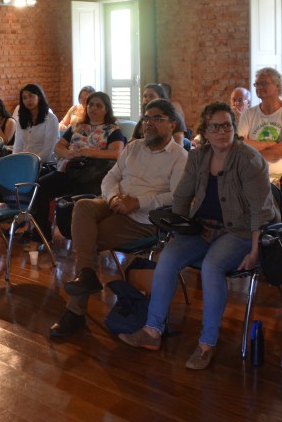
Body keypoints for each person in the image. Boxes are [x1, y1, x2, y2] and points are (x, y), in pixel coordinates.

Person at [119, 102, 277, 369]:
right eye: (214, 126)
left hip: (238, 231)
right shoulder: (198, 156)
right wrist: (174, 229)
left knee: (212, 267)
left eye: (226, 125)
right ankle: (152, 330)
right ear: (205, 130)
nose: (221, 131)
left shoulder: (249, 159)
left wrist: (254, 250)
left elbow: (261, 210)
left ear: (233, 128)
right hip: (202, 226)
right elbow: (182, 196)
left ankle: (206, 344)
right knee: (167, 258)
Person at [49, 99, 188, 338]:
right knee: (82, 206)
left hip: (144, 217)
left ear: (172, 124)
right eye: (146, 118)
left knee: (87, 241)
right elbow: (110, 178)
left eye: (157, 119)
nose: (149, 123)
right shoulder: (134, 147)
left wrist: (137, 202)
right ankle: (88, 276)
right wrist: (113, 199)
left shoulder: (180, 156)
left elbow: (175, 197)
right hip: (115, 201)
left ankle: (75, 312)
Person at [29, 92, 126, 249]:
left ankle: (83, 241)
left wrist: (88, 152)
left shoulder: (113, 129)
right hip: (67, 171)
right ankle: (42, 236)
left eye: (98, 105)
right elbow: (58, 146)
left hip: (92, 175)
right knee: (39, 187)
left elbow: (116, 153)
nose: (93, 108)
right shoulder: (77, 126)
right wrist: (67, 153)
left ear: (106, 109)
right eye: (90, 104)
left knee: (76, 201)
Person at [238, 67, 282, 179]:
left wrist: (249, 154)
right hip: (251, 176)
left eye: (264, 83)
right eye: (256, 84)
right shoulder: (247, 114)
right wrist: (272, 144)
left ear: (277, 86)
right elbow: (239, 147)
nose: (259, 87)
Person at [13, 83, 60, 163]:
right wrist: (14, 160)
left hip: (44, 163)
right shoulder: (22, 119)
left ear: (39, 97)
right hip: (24, 161)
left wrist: (30, 163)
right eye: (24, 98)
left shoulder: (51, 119)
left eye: (31, 96)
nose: (28, 100)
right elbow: (18, 145)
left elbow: (48, 151)